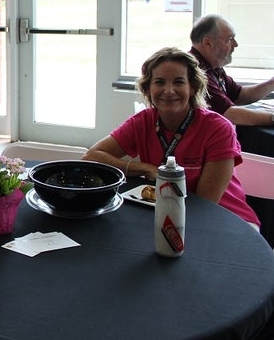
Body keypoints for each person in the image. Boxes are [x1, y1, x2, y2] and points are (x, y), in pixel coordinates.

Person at [83, 47, 260, 228]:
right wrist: (146, 169)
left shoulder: (218, 128)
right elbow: (91, 157)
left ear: (192, 88)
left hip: (227, 220)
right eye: (159, 82)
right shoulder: (142, 122)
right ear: (148, 88)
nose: (169, 90)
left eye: (179, 82)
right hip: (167, 216)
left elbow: (205, 204)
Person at [189, 14, 274, 126]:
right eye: (229, 39)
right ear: (207, 43)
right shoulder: (196, 71)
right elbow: (231, 115)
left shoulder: (214, 68)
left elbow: (240, 95)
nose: (235, 44)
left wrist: (271, 83)